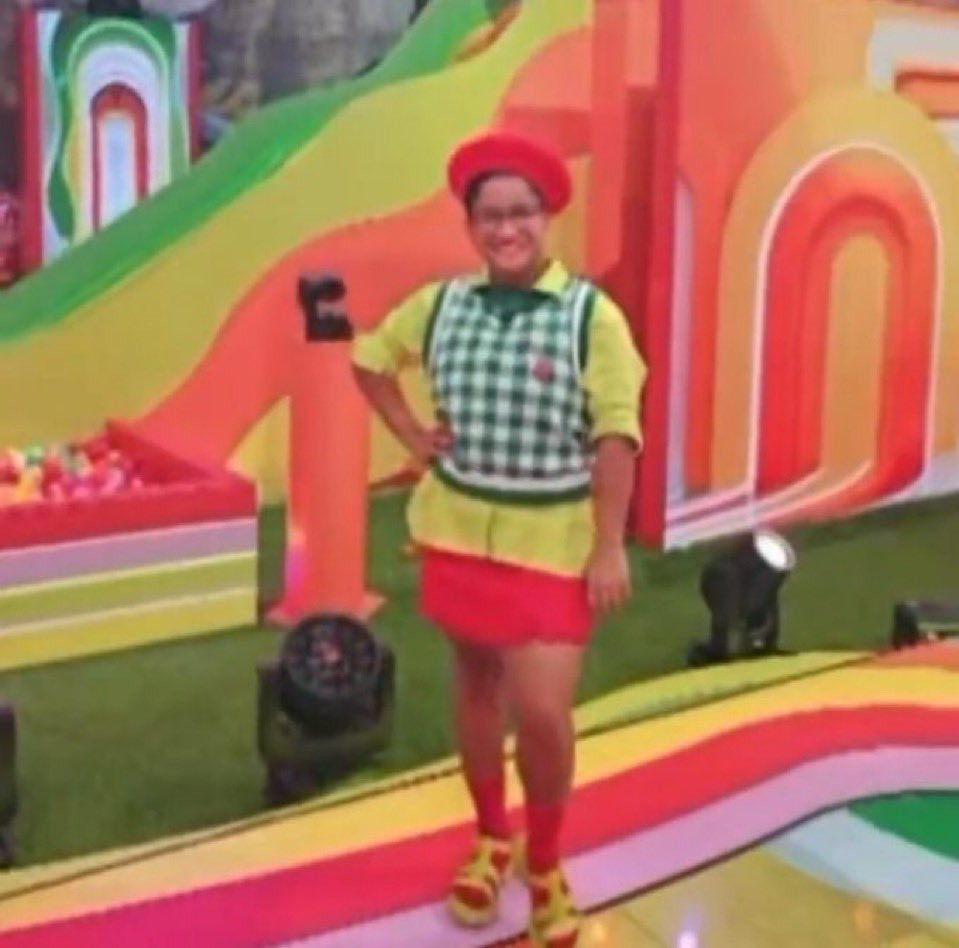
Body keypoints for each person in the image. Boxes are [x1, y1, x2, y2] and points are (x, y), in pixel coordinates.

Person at [351, 131, 646, 948]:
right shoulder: (441, 304)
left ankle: (543, 862)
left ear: (546, 218)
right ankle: (490, 837)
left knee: (543, 711)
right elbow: (369, 360)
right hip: (457, 533)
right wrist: (413, 435)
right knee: (475, 682)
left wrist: (609, 545)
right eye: (490, 215)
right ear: (470, 224)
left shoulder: (591, 317)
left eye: (521, 213)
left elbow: (616, 434)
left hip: (551, 544)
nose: (506, 228)